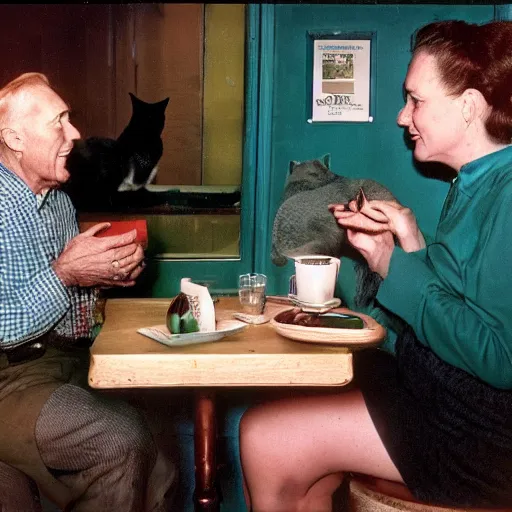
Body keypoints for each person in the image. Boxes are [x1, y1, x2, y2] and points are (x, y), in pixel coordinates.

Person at [240, 19, 512, 511]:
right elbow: (462, 298)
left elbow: (499, 356)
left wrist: (392, 262)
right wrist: (407, 240)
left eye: (416, 100)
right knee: (309, 448)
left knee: (263, 436)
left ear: (470, 106)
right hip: (450, 399)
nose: (402, 116)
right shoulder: (479, 181)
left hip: (482, 436)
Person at [0, 72, 176, 510]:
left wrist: (106, 274)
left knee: (162, 444)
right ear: (15, 138)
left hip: (65, 363)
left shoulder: (58, 199)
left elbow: (72, 298)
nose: (75, 134)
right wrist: (67, 274)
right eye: (58, 121)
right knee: (118, 441)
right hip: (8, 382)